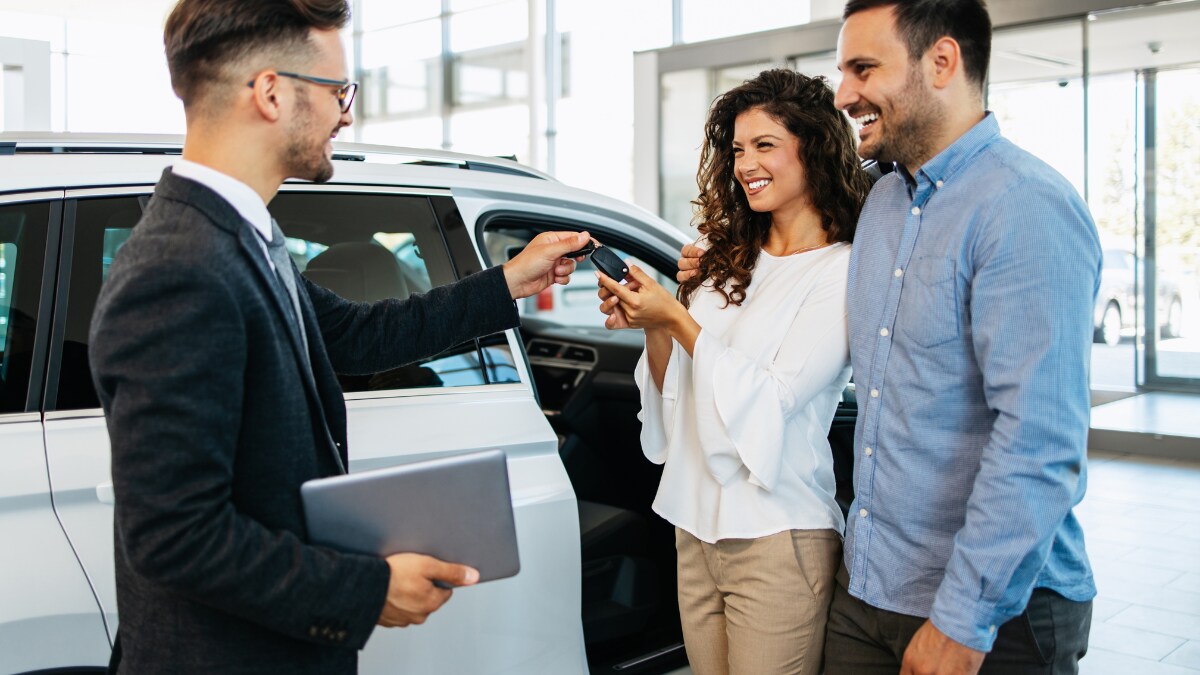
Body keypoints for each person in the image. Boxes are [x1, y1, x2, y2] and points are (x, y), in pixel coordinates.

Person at [87, 1, 589, 673]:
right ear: (271, 92)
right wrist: (369, 587)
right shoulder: (179, 270)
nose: (346, 114)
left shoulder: (241, 236)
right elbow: (176, 536)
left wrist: (507, 283)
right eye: (338, 91)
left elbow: (355, 334)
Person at [678, 2, 1100, 674]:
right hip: (869, 584)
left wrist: (963, 621)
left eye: (863, 68)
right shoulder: (881, 199)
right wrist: (717, 266)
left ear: (942, 62)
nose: (844, 94)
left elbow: (1039, 444)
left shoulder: (1023, 208)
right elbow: (795, 214)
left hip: (989, 610)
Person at [597, 69, 871, 675]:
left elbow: (770, 398)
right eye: (738, 148)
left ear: (816, 149)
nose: (746, 162)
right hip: (694, 530)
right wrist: (654, 319)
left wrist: (677, 314)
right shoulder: (726, 260)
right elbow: (675, 393)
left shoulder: (842, 272)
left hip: (778, 538)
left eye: (765, 145)